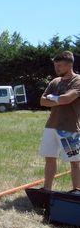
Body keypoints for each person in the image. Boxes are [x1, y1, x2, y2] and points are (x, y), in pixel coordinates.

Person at [39, 51, 80, 191]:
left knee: (74, 161)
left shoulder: (77, 81)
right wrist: (58, 99)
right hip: (50, 127)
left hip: (69, 128)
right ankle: (47, 190)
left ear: (69, 65)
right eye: (55, 66)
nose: (56, 69)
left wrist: (54, 98)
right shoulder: (54, 82)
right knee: (49, 159)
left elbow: (67, 99)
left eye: (60, 66)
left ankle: (76, 190)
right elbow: (42, 101)